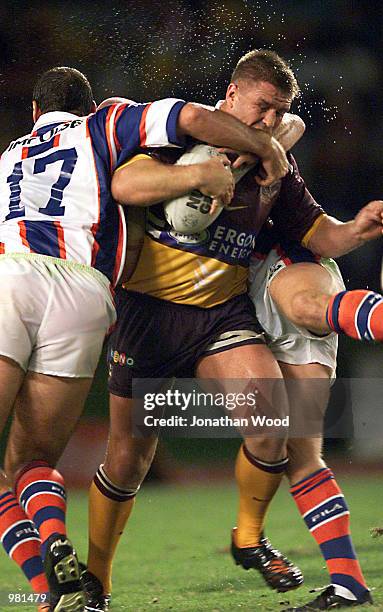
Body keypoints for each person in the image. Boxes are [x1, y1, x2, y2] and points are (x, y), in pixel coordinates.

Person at [78, 50, 381, 610]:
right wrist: (202, 172)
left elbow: (317, 235)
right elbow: (125, 182)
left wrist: (357, 230)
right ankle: (97, 582)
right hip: (146, 314)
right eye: (262, 107)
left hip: (221, 314)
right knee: (128, 461)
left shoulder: (276, 169)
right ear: (233, 96)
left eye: (278, 112)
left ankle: (247, 536)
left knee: (271, 428)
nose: (269, 120)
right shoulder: (178, 135)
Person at [0, 64, 291, 612]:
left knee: (16, 464)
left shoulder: (9, 155)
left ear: (34, 114)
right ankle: (76, 571)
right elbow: (179, 129)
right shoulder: (107, 123)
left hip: (14, 275)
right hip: (89, 292)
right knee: (42, 458)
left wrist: (265, 146)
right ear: (88, 106)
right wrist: (258, 148)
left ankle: (47, 583)